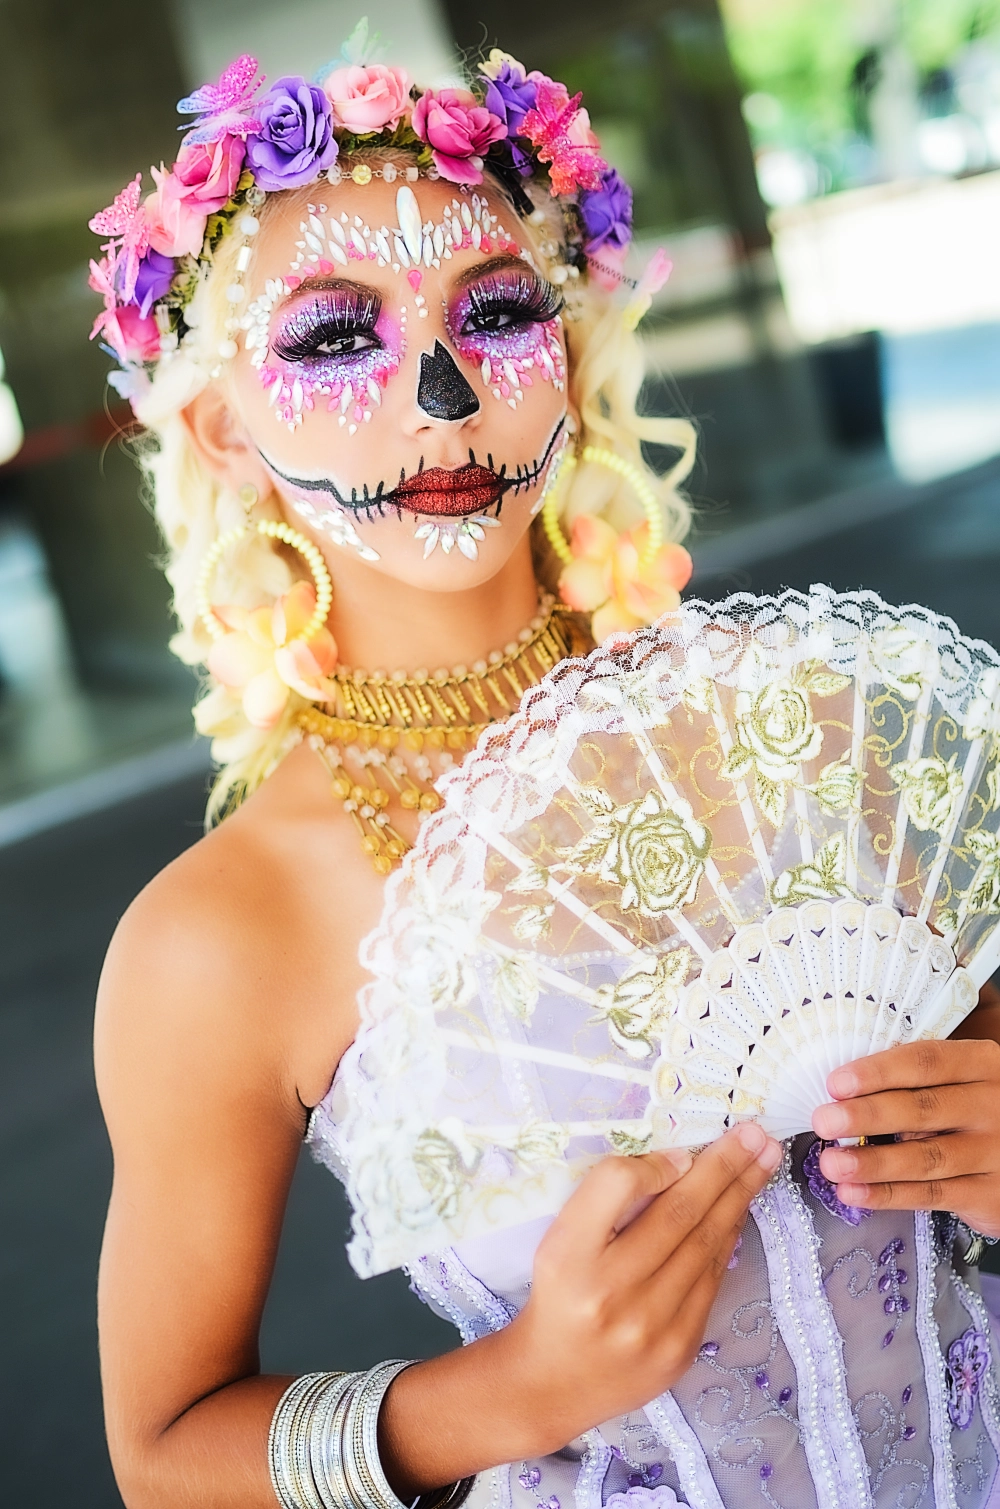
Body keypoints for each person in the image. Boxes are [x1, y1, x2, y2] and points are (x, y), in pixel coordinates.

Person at [91, 26, 1000, 1509]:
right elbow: (159, 1452)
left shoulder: (807, 727)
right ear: (221, 428)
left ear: (569, 356)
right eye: (334, 337)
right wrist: (497, 1398)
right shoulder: (218, 943)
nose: (441, 395)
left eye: (495, 310)